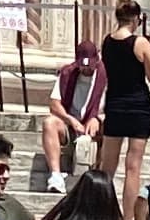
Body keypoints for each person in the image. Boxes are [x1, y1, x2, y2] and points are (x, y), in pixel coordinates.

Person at [96, 0, 150, 219]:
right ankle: (129, 219)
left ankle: (100, 212)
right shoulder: (140, 43)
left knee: (108, 165)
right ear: (136, 20)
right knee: (133, 166)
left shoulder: (107, 41)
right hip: (137, 106)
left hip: (115, 104)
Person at [41, 29, 106, 190]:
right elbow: (54, 103)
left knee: (110, 126)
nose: (86, 70)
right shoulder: (67, 73)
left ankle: (100, 178)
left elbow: (115, 105)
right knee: (49, 123)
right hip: (71, 125)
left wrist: (97, 118)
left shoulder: (106, 75)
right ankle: (56, 176)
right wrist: (70, 119)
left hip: (95, 124)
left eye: (89, 66)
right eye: (83, 66)